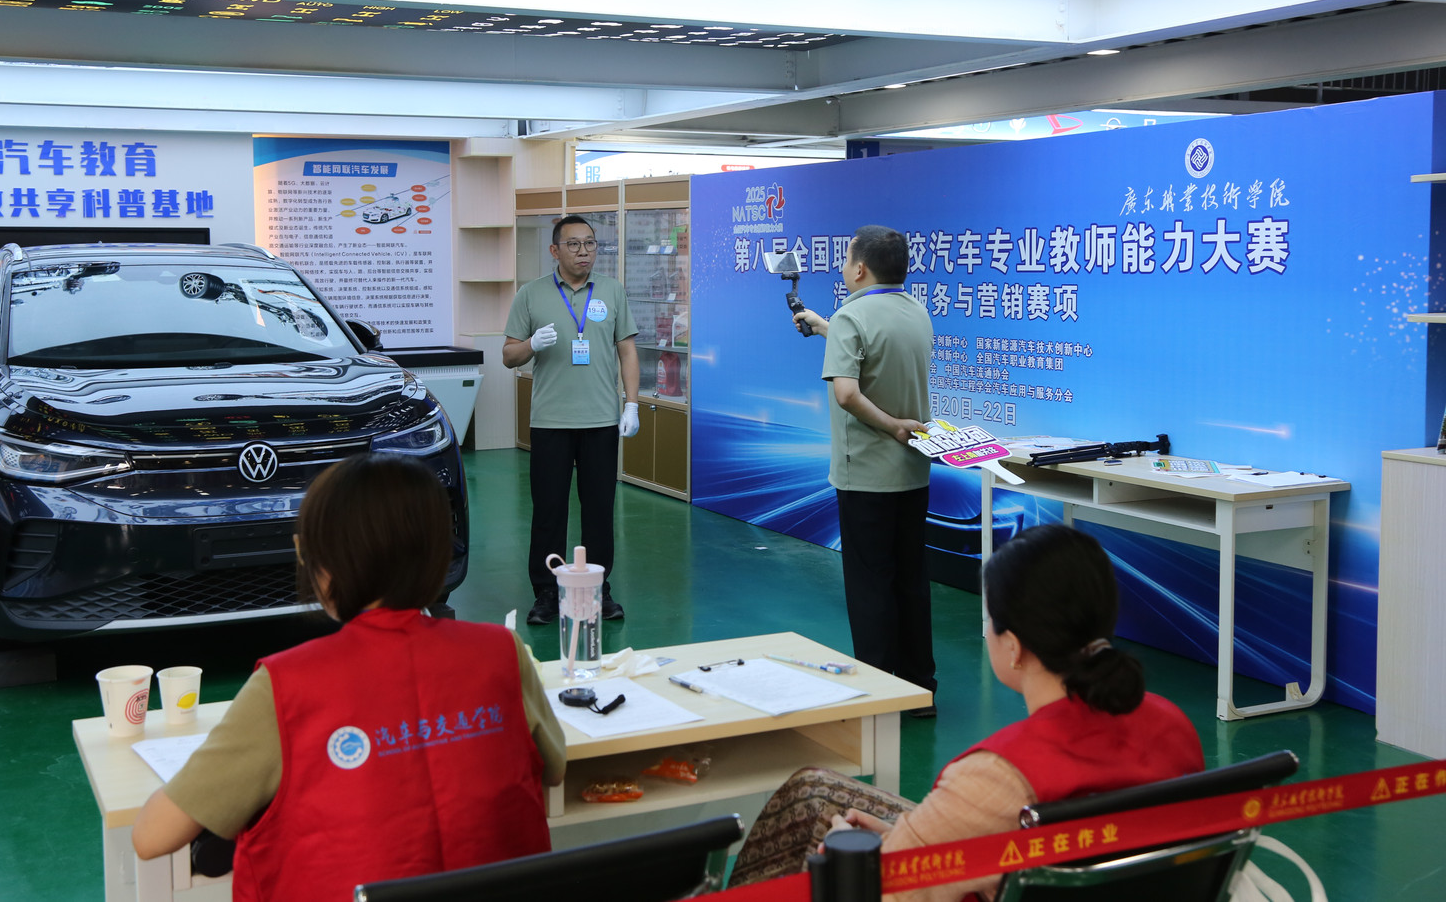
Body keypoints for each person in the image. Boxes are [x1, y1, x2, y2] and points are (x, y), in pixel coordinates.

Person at [130, 454, 566, 901]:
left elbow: (151, 837)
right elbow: (554, 769)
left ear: (321, 561)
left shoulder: (285, 685)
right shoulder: (501, 652)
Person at [727, 524, 1205, 901]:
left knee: (821, 820)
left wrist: (844, 857)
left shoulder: (998, 777)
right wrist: (913, 837)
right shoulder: (1172, 724)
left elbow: (887, 891)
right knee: (814, 789)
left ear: (1013, 647)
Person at [791, 224, 937, 702]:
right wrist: (824, 327)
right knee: (910, 580)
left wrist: (892, 426)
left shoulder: (851, 317)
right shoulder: (917, 312)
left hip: (866, 474)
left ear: (860, 269)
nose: (842, 267)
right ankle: (920, 688)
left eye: (846, 259)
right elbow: (875, 352)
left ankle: (879, 692)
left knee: (870, 585)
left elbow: (848, 393)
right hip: (913, 472)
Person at [504, 214, 639, 625]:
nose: (584, 252)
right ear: (555, 250)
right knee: (549, 512)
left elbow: (627, 351)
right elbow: (508, 355)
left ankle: (598, 588)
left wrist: (631, 404)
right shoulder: (531, 294)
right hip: (551, 421)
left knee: (599, 510)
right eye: (574, 244)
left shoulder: (612, 290)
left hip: (600, 420)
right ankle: (546, 592)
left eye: (591, 243)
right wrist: (531, 343)